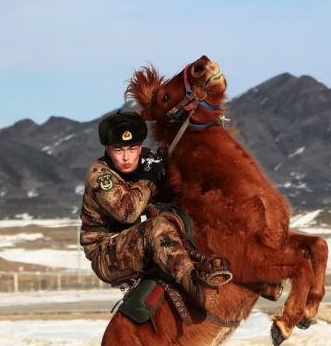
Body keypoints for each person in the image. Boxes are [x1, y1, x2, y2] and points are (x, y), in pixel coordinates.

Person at [80, 110, 229, 312]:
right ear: (107, 149)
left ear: (140, 147)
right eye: (118, 150)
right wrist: (148, 181)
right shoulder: (100, 175)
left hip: (138, 238)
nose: (126, 157)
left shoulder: (148, 162)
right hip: (107, 253)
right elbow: (128, 212)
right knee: (158, 227)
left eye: (132, 149)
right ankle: (197, 289)